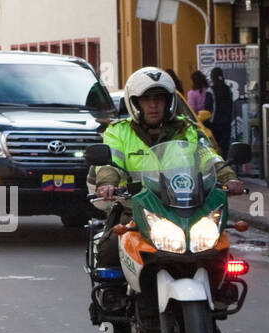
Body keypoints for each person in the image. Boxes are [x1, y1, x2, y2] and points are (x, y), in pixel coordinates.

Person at [93, 68, 245, 269]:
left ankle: (220, 294)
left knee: (218, 252)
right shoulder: (119, 132)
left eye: (160, 98)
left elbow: (208, 156)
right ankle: (112, 299)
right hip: (137, 207)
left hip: (186, 208)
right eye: (146, 99)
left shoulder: (188, 130)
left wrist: (228, 177)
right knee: (110, 249)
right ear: (135, 102)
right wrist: (107, 184)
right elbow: (110, 162)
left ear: (169, 102)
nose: (154, 105)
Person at [208, 67, 234, 153]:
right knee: (225, 148)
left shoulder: (210, 90)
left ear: (212, 77)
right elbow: (230, 105)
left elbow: (208, 109)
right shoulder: (228, 89)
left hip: (214, 124)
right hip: (226, 123)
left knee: (215, 149)